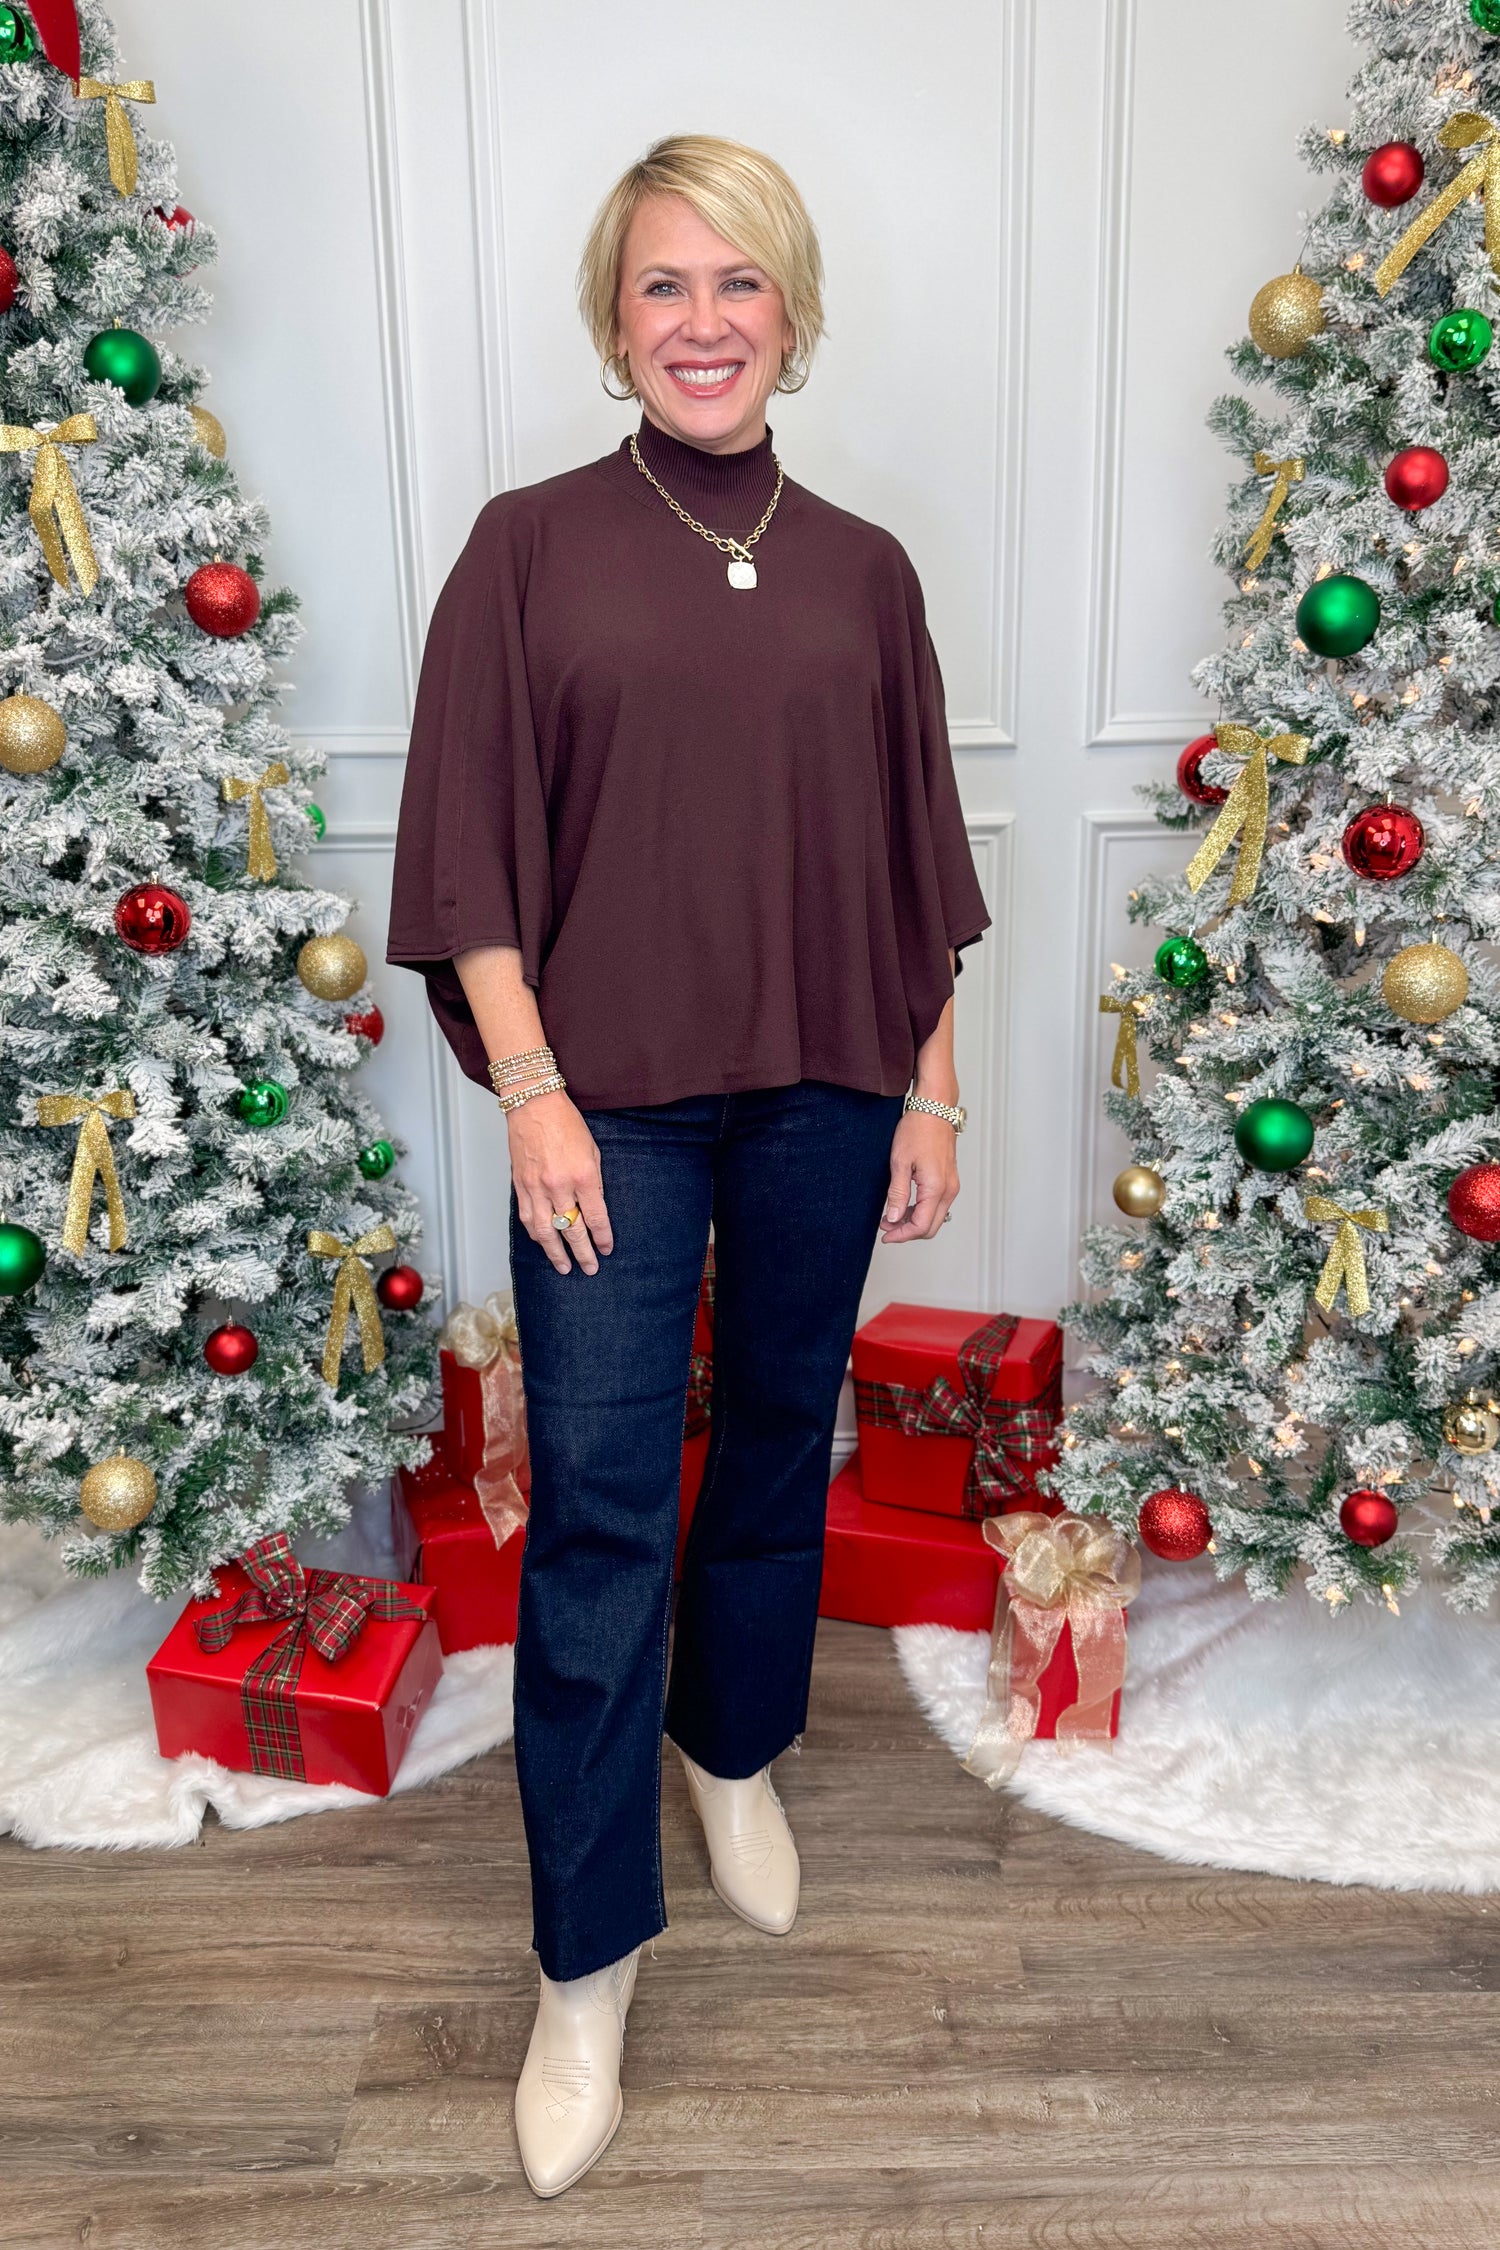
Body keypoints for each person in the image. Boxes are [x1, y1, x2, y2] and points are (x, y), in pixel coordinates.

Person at [386, 132, 989, 2199]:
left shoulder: (866, 568)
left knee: (777, 1444)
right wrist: (534, 1085)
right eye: (664, 285)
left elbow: (917, 856)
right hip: (610, 1099)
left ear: (793, 317)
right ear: (612, 317)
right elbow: (468, 839)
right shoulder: (531, 547)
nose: (704, 322)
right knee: (605, 1511)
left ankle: (732, 1754)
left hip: (829, 1077)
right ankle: (584, 1971)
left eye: (740, 285)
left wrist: (931, 1082)